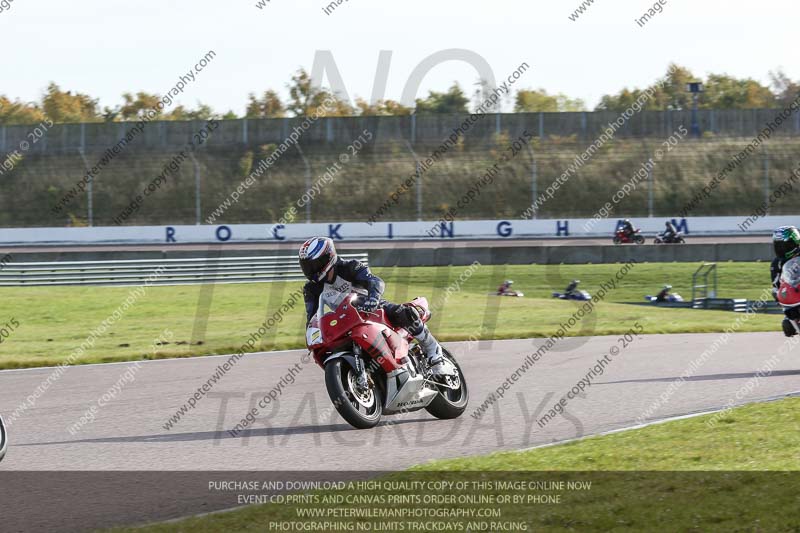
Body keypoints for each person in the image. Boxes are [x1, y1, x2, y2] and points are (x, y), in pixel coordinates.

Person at [299, 237, 451, 376]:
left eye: (314, 265)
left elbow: (375, 281)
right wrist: (312, 335)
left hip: (370, 307)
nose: (311, 270)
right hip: (343, 321)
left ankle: (433, 350)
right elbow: (312, 316)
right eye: (307, 266)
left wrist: (373, 298)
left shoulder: (350, 266)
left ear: (328, 257)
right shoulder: (311, 289)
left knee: (404, 313)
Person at [770, 226, 800, 336]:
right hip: (793, 291)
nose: (781, 249)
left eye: (784, 246)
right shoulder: (776, 263)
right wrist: (778, 292)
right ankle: (793, 317)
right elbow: (776, 284)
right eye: (778, 246)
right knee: (787, 327)